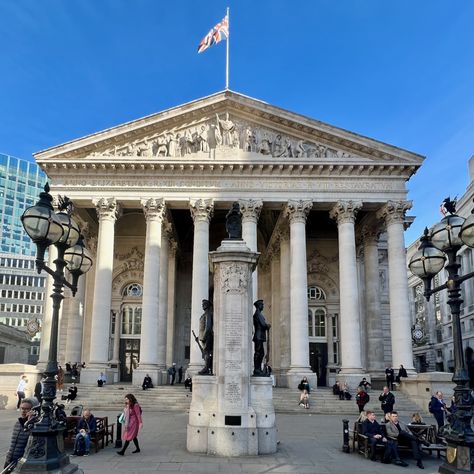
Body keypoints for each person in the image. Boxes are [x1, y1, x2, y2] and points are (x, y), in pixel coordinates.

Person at [4, 397, 36, 470]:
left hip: (22, 463)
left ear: (33, 410)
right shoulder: (18, 423)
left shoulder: (35, 425)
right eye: (22, 408)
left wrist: (30, 421)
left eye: (26, 409)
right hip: (10, 459)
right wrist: (8, 454)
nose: (23, 411)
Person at [252, 300, 271, 376]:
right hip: (258, 336)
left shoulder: (259, 314)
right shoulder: (258, 314)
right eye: (262, 305)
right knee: (258, 353)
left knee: (261, 353)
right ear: (259, 305)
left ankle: (258, 369)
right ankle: (257, 369)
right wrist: (268, 325)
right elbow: (263, 325)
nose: (263, 306)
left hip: (260, 336)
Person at [197, 300, 213, 375]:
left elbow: (208, 327)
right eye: (202, 304)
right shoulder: (204, 314)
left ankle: (206, 368)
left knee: (207, 353)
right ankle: (207, 368)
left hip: (207, 336)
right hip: (204, 336)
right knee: (205, 353)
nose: (203, 305)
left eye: (205, 304)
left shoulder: (208, 314)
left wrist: (203, 336)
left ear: (208, 305)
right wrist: (200, 336)